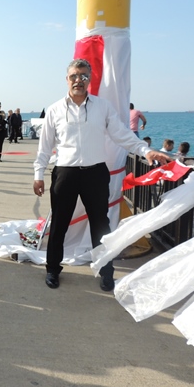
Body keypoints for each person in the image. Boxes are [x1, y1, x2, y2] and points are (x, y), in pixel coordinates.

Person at [33, 59, 168, 292]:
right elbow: (44, 148)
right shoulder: (54, 109)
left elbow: (122, 135)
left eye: (83, 76)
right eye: (74, 76)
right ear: (67, 79)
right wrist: (38, 174)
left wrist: (145, 150)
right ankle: (52, 269)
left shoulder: (103, 107)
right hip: (65, 173)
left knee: (100, 226)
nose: (79, 80)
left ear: (90, 79)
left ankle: (106, 272)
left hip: (95, 174)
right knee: (59, 225)